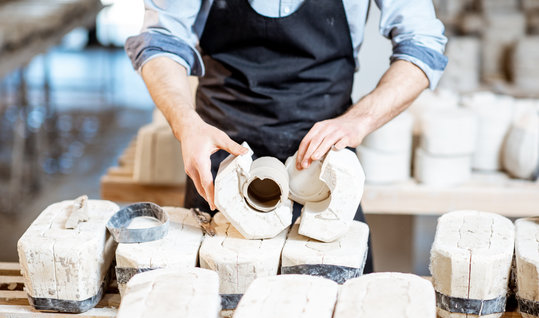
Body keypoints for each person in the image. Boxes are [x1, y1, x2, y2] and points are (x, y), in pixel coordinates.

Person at [126, 0, 448, 273]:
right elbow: (160, 40)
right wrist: (186, 123)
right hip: (223, 169)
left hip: (322, 174)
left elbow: (423, 44)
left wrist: (358, 121)